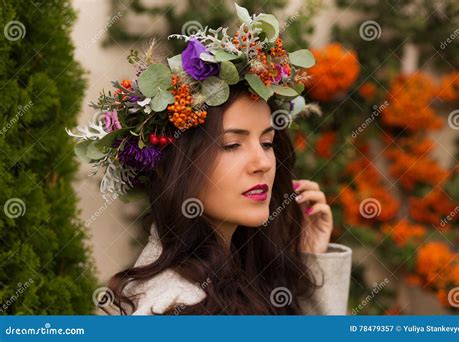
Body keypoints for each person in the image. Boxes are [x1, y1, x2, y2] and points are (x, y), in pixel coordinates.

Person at [67, 3, 352, 316]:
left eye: (267, 142)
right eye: (232, 145)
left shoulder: (235, 273)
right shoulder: (177, 305)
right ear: (176, 164)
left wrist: (310, 258)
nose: (263, 163)